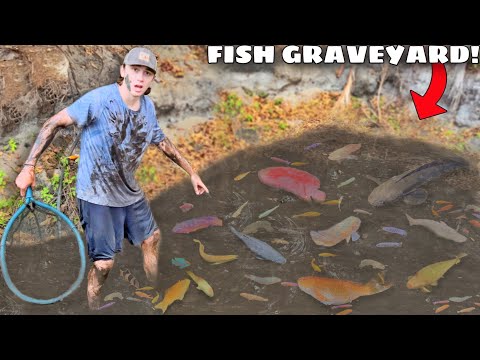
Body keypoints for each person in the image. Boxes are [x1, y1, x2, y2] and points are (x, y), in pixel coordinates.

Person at [15, 46, 209, 310]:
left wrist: (192, 172)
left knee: (151, 238)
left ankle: (155, 292)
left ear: (153, 79)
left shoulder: (148, 108)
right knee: (104, 264)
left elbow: (162, 141)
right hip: (96, 194)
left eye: (147, 73)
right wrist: (29, 166)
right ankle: (94, 305)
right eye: (135, 70)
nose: (140, 78)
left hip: (128, 192)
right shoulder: (98, 100)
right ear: (123, 71)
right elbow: (53, 123)